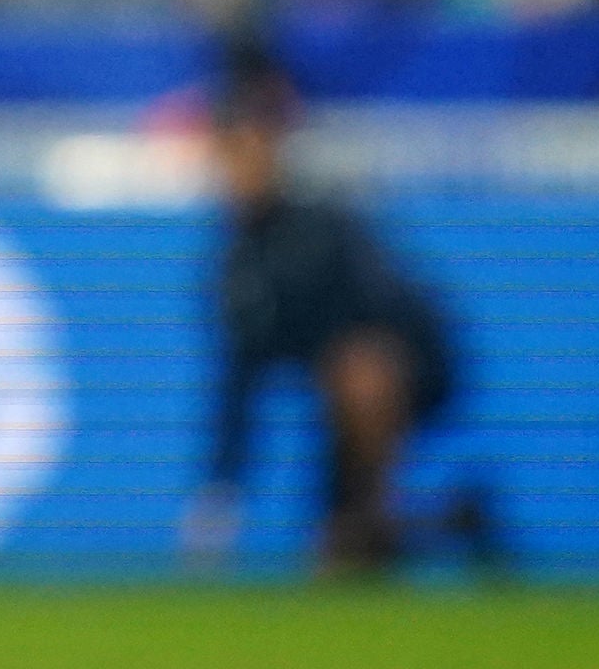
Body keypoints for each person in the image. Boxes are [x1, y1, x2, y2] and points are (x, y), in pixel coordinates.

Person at [187, 50, 501, 577]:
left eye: (250, 150)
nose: (239, 168)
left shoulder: (325, 227)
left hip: (405, 375)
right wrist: (222, 491)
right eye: (228, 155)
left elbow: (390, 326)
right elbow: (240, 380)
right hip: (336, 401)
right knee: (340, 557)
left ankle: (374, 515)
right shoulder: (232, 267)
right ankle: (447, 523)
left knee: (359, 370)